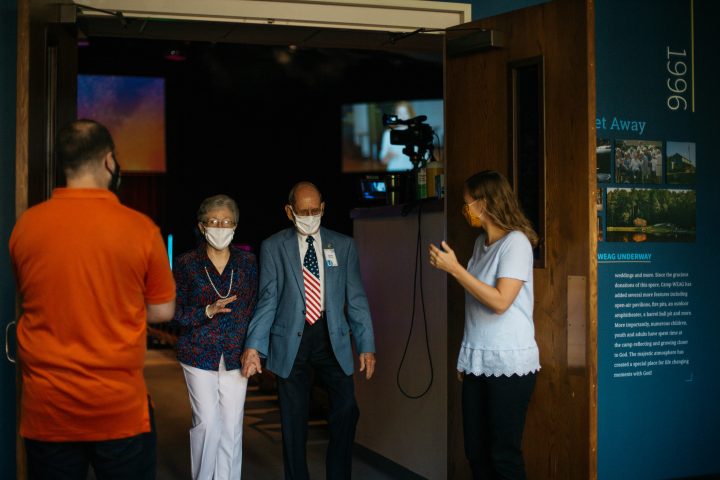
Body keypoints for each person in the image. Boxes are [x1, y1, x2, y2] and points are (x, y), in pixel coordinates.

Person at [9, 119, 176, 479]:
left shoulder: (26, 226)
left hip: (48, 409)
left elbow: (30, 296)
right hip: (117, 409)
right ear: (109, 160)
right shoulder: (140, 229)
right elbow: (163, 310)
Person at [241, 181, 376, 480]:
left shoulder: (343, 245)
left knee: (346, 409)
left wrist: (366, 345)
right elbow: (268, 299)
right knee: (293, 421)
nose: (310, 216)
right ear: (289, 212)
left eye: (315, 210)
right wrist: (254, 346)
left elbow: (356, 299)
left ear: (323, 208)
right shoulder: (273, 246)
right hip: (291, 339)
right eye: (303, 212)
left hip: (331, 336)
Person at [428, 170, 540, 480]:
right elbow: (476, 305)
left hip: (510, 363)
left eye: (467, 203)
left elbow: (500, 301)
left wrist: (455, 270)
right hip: (478, 362)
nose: (465, 209)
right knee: (476, 453)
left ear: (485, 203)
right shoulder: (481, 243)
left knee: (504, 456)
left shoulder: (516, 243)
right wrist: (467, 357)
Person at [173, 194, 258, 480]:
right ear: (201, 226)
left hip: (236, 354)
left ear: (235, 226)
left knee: (232, 427)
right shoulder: (186, 263)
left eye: (227, 221)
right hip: (198, 353)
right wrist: (207, 311)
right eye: (214, 221)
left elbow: (256, 309)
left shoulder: (247, 262)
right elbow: (175, 312)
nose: (220, 227)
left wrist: (255, 349)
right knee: (207, 424)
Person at [379, 101, 416, 171]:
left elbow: (426, 158)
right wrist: (389, 155)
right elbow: (383, 161)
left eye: (405, 113)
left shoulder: (417, 132)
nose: (402, 117)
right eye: (399, 113)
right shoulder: (388, 134)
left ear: (411, 115)